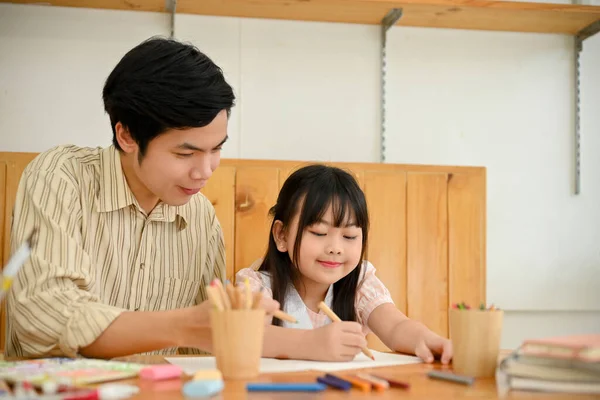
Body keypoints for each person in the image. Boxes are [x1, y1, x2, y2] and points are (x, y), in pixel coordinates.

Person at [5, 36, 278, 359]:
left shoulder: (201, 215)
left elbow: (200, 352)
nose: (205, 171)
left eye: (216, 148)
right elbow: (44, 318)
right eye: (185, 153)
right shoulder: (61, 177)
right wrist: (186, 325)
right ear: (127, 135)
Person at [237, 164, 453, 363]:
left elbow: (396, 326)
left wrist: (427, 340)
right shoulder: (255, 286)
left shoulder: (360, 284)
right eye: (319, 232)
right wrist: (311, 343)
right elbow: (245, 336)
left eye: (349, 236)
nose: (335, 248)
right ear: (282, 235)